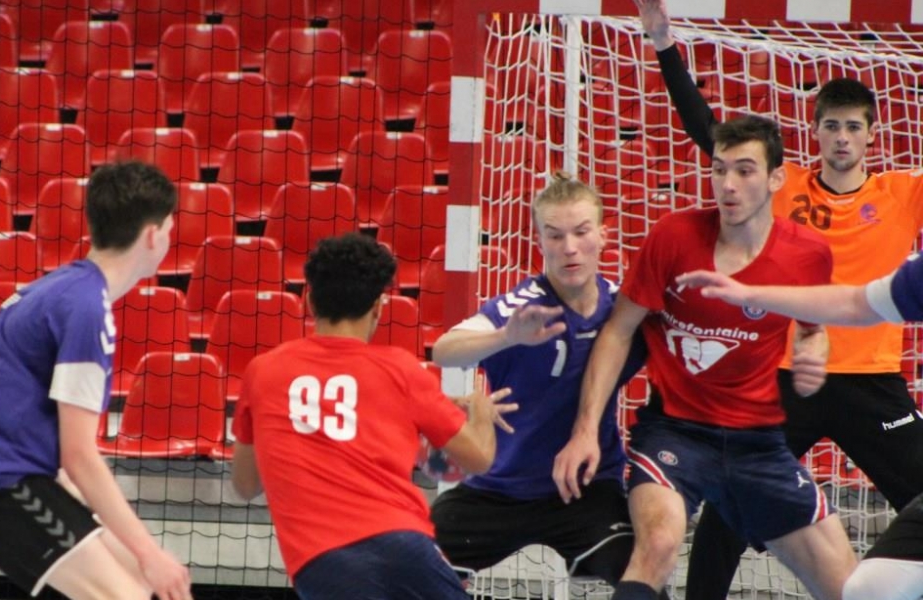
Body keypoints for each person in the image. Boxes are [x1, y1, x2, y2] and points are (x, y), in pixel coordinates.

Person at [633, 1, 923, 597]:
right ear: (814, 132)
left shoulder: (904, 192)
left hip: (872, 382)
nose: (841, 137)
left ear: (872, 134)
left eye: (853, 126)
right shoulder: (782, 184)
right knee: (728, 505)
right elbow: (706, 131)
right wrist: (665, 45)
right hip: (789, 375)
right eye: (830, 125)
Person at [552, 115, 857, 600]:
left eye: (744, 170)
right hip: (674, 433)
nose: (728, 185)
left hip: (759, 445)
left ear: (776, 178)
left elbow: (813, 330)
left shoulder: (807, 255)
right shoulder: (674, 236)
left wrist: (812, 354)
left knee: (852, 587)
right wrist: (585, 430)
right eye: (719, 170)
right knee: (657, 545)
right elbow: (617, 331)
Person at [0, 161, 192, 600]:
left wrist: (129, 546)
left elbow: (64, 458)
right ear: (152, 235)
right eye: (169, 228)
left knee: (146, 587)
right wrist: (149, 551)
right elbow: (79, 454)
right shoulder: (85, 308)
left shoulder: (66, 289)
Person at [229, 233, 516, 600]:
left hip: (322, 562)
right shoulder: (401, 369)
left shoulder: (262, 372)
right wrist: (481, 409)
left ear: (308, 300)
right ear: (379, 308)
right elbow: (478, 458)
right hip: (404, 545)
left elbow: (245, 485)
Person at [429, 172, 658, 590]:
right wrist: (507, 337)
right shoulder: (522, 308)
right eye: (554, 236)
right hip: (497, 489)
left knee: (641, 575)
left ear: (603, 236)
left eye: (581, 232)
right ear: (539, 242)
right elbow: (444, 348)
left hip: (585, 489)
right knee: (408, 563)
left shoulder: (622, 311)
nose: (569, 248)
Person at [678, 256, 923, 600]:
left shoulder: (899, 200)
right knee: (730, 495)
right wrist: (750, 294)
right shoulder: (785, 201)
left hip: (874, 384)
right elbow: (853, 302)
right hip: (789, 378)